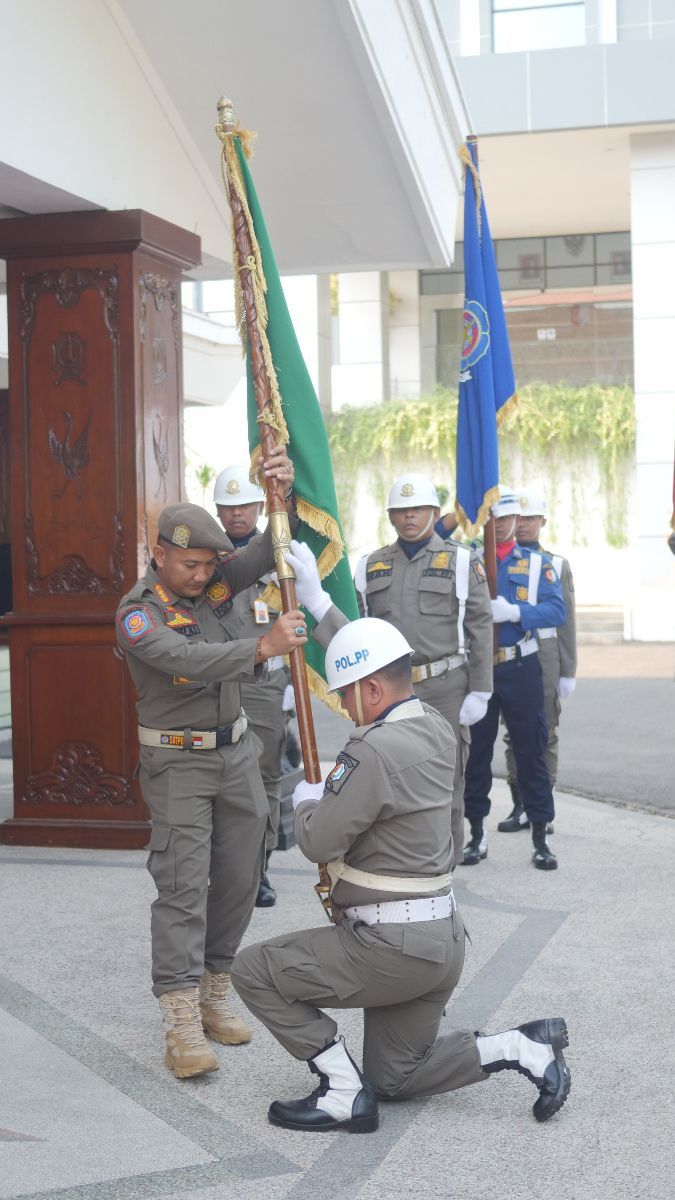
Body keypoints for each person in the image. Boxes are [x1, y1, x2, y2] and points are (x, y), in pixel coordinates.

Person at [230, 554, 572, 1134]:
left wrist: (307, 798)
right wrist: (320, 604)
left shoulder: (372, 750)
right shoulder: (437, 725)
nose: (343, 706)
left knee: (253, 970)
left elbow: (316, 840)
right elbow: (381, 658)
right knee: (398, 1077)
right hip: (439, 942)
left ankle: (340, 1090)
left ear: (369, 689)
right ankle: (522, 1048)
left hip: (389, 947)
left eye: (345, 695)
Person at [116, 445, 307, 1080]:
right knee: (181, 887)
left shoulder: (220, 579)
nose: (203, 575)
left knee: (240, 876)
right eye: (191, 564)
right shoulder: (139, 613)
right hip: (178, 767)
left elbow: (271, 544)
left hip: (238, 754)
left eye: (208, 564)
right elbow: (185, 661)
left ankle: (214, 985)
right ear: (161, 555)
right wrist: (262, 647)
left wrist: (282, 488)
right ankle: (178, 1016)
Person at [353, 473, 493, 865]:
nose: (409, 517)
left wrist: (481, 689)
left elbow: (480, 626)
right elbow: (360, 629)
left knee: (447, 782)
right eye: (401, 510)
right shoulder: (370, 565)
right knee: (389, 777)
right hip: (389, 693)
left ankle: (443, 871)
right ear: (391, 517)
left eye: (417, 509)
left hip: (445, 688)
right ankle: (401, 863)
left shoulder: (462, 560)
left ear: (434, 512)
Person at [461, 488, 566, 871]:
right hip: (481, 668)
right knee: (476, 756)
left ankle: (540, 836)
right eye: (495, 519)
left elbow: (557, 611)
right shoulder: (470, 560)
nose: (502, 525)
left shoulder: (537, 564)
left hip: (521, 666)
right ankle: (475, 834)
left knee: (531, 752)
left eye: (507, 519)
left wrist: (517, 613)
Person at [213, 464, 295, 908]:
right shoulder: (206, 560)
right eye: (227, 507)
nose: (236, 514)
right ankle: (222, 870)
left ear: (260, 506)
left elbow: (305, 614)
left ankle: (259, 872)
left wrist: (293, 682)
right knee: (219, 778)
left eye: (243, 504)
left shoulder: (283, 552)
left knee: (264, 780)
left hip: (266, 684)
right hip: (218, 680)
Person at [499, 491, 577, 833]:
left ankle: (542, 804)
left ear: (542, 521)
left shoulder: (555, 564)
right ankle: (520, 805)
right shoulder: (494, 559)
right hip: (510, 656)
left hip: (545, 656)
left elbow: (567, 620)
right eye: (522, 517)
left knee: (543, 733)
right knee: (514, 735)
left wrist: (568, 671)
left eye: (532, 518)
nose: (526, 524)